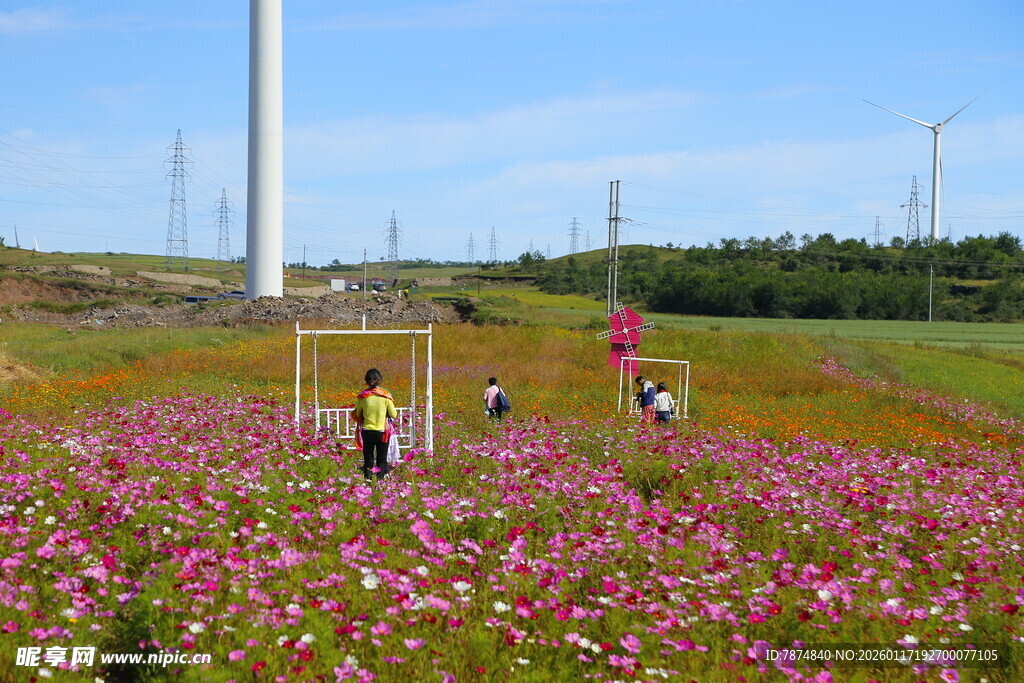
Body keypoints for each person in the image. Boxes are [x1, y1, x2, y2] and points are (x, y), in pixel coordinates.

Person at [354, 368, 398, 481]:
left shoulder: (363, 397)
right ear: (380, 380)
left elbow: (358, 413)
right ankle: (380, 480)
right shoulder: (386, 396)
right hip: (382, 432)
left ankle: (368, 480)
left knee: (368, 458)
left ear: (366, 381)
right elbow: (394, 414)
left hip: (367, 431)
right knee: (381, 459)